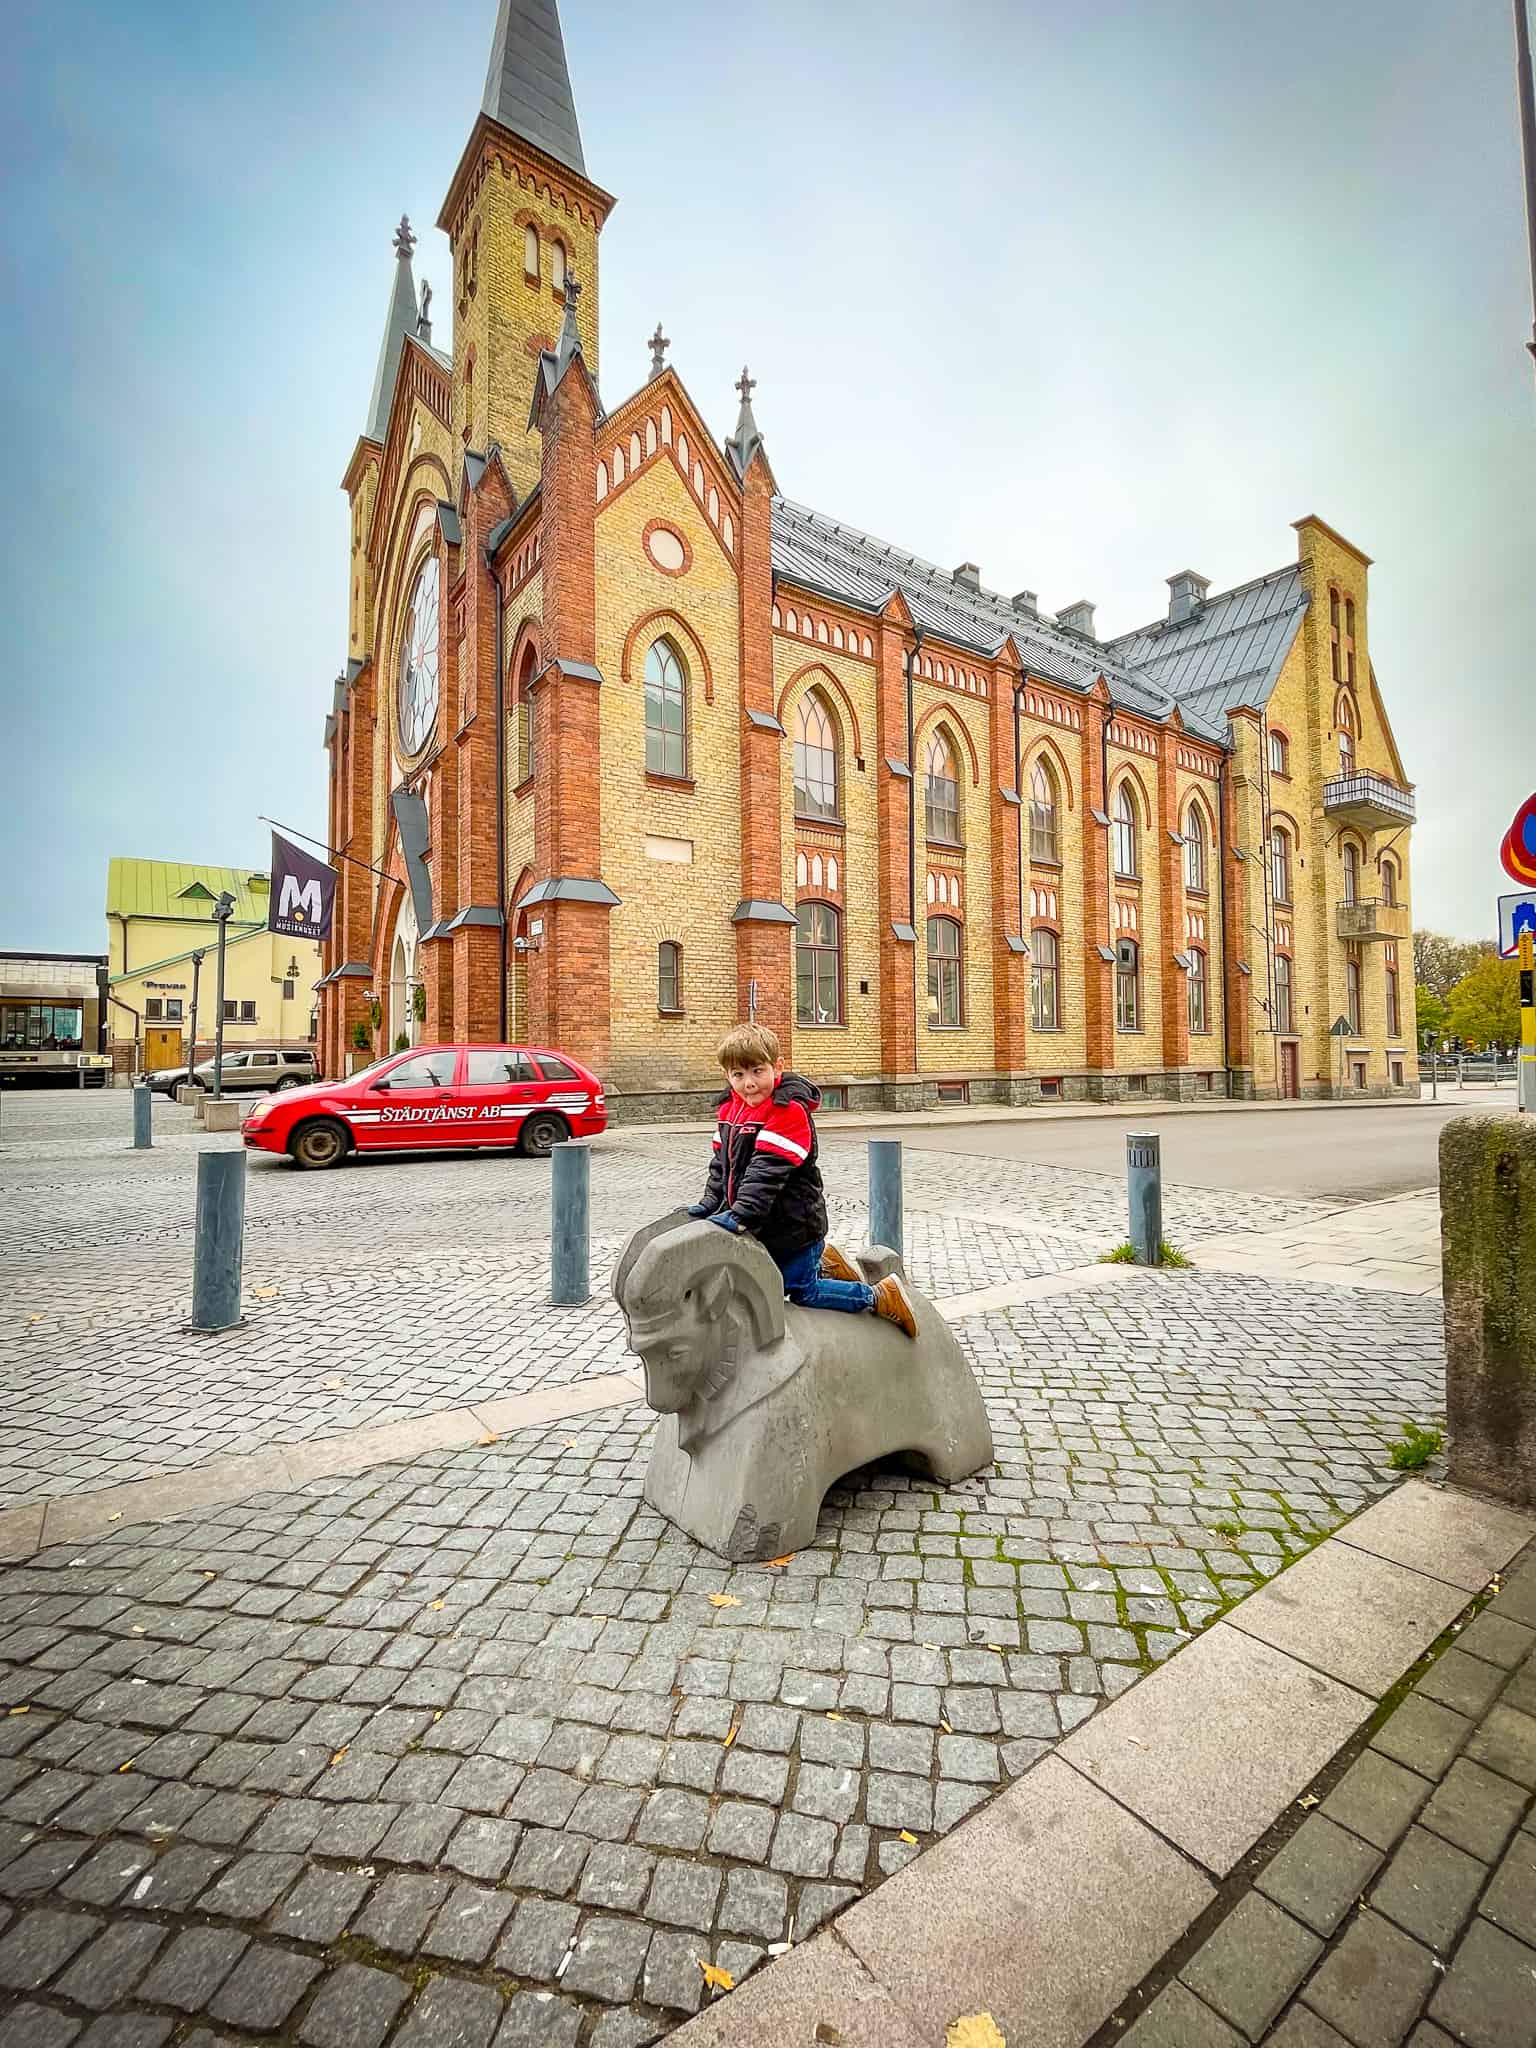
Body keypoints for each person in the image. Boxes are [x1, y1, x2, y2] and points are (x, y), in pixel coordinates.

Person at [688, 1023, 917, 1336]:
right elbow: (721, 1165)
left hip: (794, 1225)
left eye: (757, 1071)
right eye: (738, 1075)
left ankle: (879, 1296)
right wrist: (711, 1201)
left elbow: (766, 1171)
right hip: (767, 1224)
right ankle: (826, 1261)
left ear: (778, 1067)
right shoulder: (731, 1109)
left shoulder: (787, 1112)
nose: (749, 1083)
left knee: (803, 1291)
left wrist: (740, 1214)